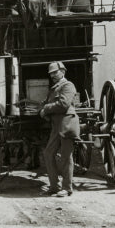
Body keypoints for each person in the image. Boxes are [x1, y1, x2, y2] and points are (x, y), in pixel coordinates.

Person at [40, 61, 81, 197]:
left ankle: (67, 188)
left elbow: (63, 104)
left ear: (63, 71)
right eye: (51, 74)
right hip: (57, 126)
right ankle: (54, 186)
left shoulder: (68, 85)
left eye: (55, 73)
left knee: (66, 157)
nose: (53, 76)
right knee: (48, 153)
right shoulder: (54, 88)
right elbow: (49, 103)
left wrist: (46, 108)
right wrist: (44, 108)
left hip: (67, 124)